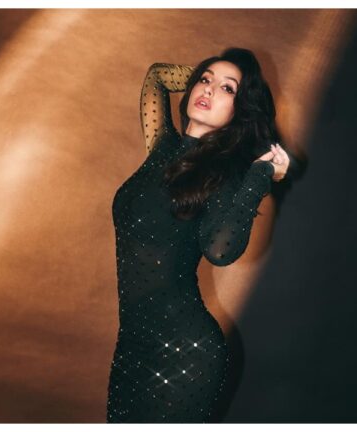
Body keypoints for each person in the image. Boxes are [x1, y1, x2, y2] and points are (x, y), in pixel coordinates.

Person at [106, 47, 295, 423]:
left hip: (184, 353)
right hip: (131, 345)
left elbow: (221, 251)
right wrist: (217, 80)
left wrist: (260, 176)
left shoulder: (223, 177)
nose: (208, 89)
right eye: (205, 80)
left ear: (240, 110)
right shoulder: (161, 146)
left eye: (227, 89)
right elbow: (158, 76)